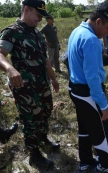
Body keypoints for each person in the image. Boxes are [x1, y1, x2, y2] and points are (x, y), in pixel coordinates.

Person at [0, 0, 60, 169]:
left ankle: (43, 138)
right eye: (38, 15)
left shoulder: (36, 33)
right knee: (31, 120)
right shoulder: (12, 32)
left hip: (42, 83)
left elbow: (45, 59)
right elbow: (0, 54)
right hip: (25, 88)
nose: (40, 19)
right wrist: (10, 69)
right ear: (26, 9)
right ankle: (34, 154)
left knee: (46, 111)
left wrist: (53, 78)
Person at [67, 3, 108, 173]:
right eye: (107, 27)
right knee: (101, 130)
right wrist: (104, 105)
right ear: (99, 21)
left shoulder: (77, 30)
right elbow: (92, 78)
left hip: (75, 89)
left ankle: (85, 161)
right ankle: (105, 165)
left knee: (85, 127)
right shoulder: (92, 40)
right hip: (87, 92)